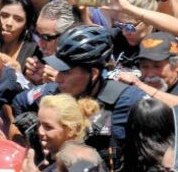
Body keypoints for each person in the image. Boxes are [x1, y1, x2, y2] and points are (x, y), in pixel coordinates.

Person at [14, 25, 144, 159]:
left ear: (93, 73)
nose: (58, 79)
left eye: (66, 72)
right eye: (57, 70)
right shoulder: (54, 92)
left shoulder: (127, 101)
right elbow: (19, 102)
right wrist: (37, 136)